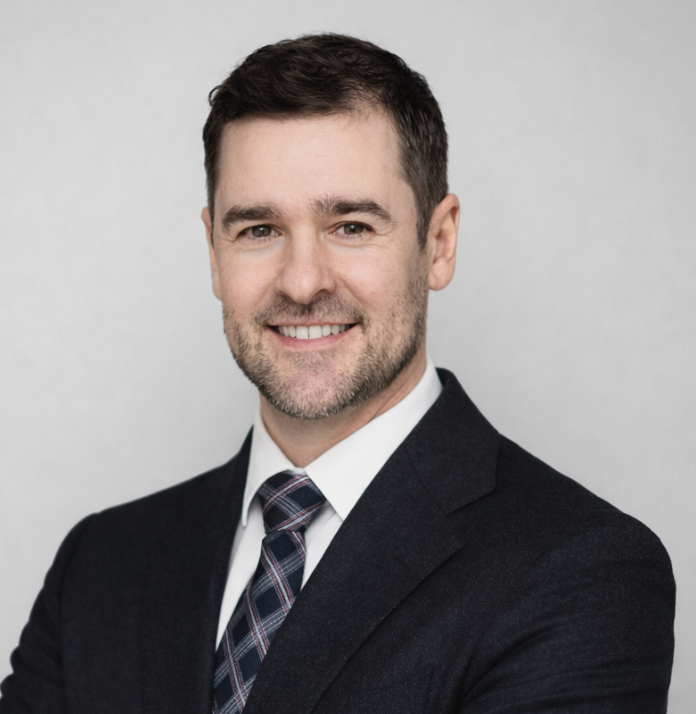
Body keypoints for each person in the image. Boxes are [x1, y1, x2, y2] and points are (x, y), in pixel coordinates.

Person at [0, 33, 675, 714]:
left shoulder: (581, 569)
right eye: (258, 230)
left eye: (350, 226)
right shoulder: (101, 565)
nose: (301, 282)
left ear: (438, 243)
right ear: (213, 252)